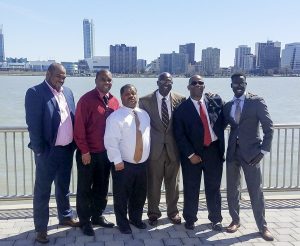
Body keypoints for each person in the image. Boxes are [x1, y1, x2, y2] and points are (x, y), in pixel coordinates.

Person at [25, 63, 79, 244]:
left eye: (64, 76)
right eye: (58, 76)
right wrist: (40, 151)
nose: (62, 79)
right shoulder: (35, 92)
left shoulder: (68, 92)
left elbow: (72, 118)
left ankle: (65, 216)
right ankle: (41, 229)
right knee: (42, 192)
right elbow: (33, 125)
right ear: (48, 74)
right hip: (47, 152)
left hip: (66, 150)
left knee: (63, 187)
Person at [224, 72, 274, 241]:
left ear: (246, 84)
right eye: (235, 84)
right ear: (231, 85)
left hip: (252, 154)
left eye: (241, 83)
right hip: (232, 153)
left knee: (256, 191)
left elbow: (269, 128)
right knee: (232, 189)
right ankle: (235, 220)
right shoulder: (228, 105)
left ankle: (263, 226)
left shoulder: (256, 102)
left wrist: (263, 152)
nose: (238, 86)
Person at [173, 75, 224, 231]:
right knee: (191, 187)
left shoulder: (215, 103)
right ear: (188, 87)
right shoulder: (181, 109)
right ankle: (190, 218)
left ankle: (215, 219)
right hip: (192, 155)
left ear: (204, 86)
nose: (197, 85)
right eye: (193, 83)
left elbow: (230, 113)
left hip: (213, 152)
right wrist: (190, 155)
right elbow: (179, 135)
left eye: (200, 83)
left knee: (213, 187)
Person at [74, 69, 119, 236]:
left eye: (109, 80)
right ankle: (85, 221)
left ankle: (97, 216)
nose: (106, 83)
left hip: (106, 153)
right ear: (96, 80)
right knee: (85, 189)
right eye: (103, 80)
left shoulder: (114, 101)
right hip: (88, 153)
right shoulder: (86, 100)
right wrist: (84, 151)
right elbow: (78, 128)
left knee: (102, 186)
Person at [139, 72, 185, 226]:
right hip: (154, 150)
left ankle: (173, 212)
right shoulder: (145, 101)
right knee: (153, 183)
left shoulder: (181, 99)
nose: (166, 83)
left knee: (173, 184)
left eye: (169, 81)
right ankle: (153, 212)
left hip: (174, 149)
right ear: (157, 83)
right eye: (163, 81)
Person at [104, 84, 151, 234]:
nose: (131, 96)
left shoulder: (144, 114)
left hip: (142, 164)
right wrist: (117, 160)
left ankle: (136, 219)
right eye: (127, 94)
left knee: (139, 194)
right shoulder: (115, 117)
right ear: (121, 97)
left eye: (133, 93)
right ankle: (122, 223)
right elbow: (111, 141)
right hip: (123, 165)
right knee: (121, 196)